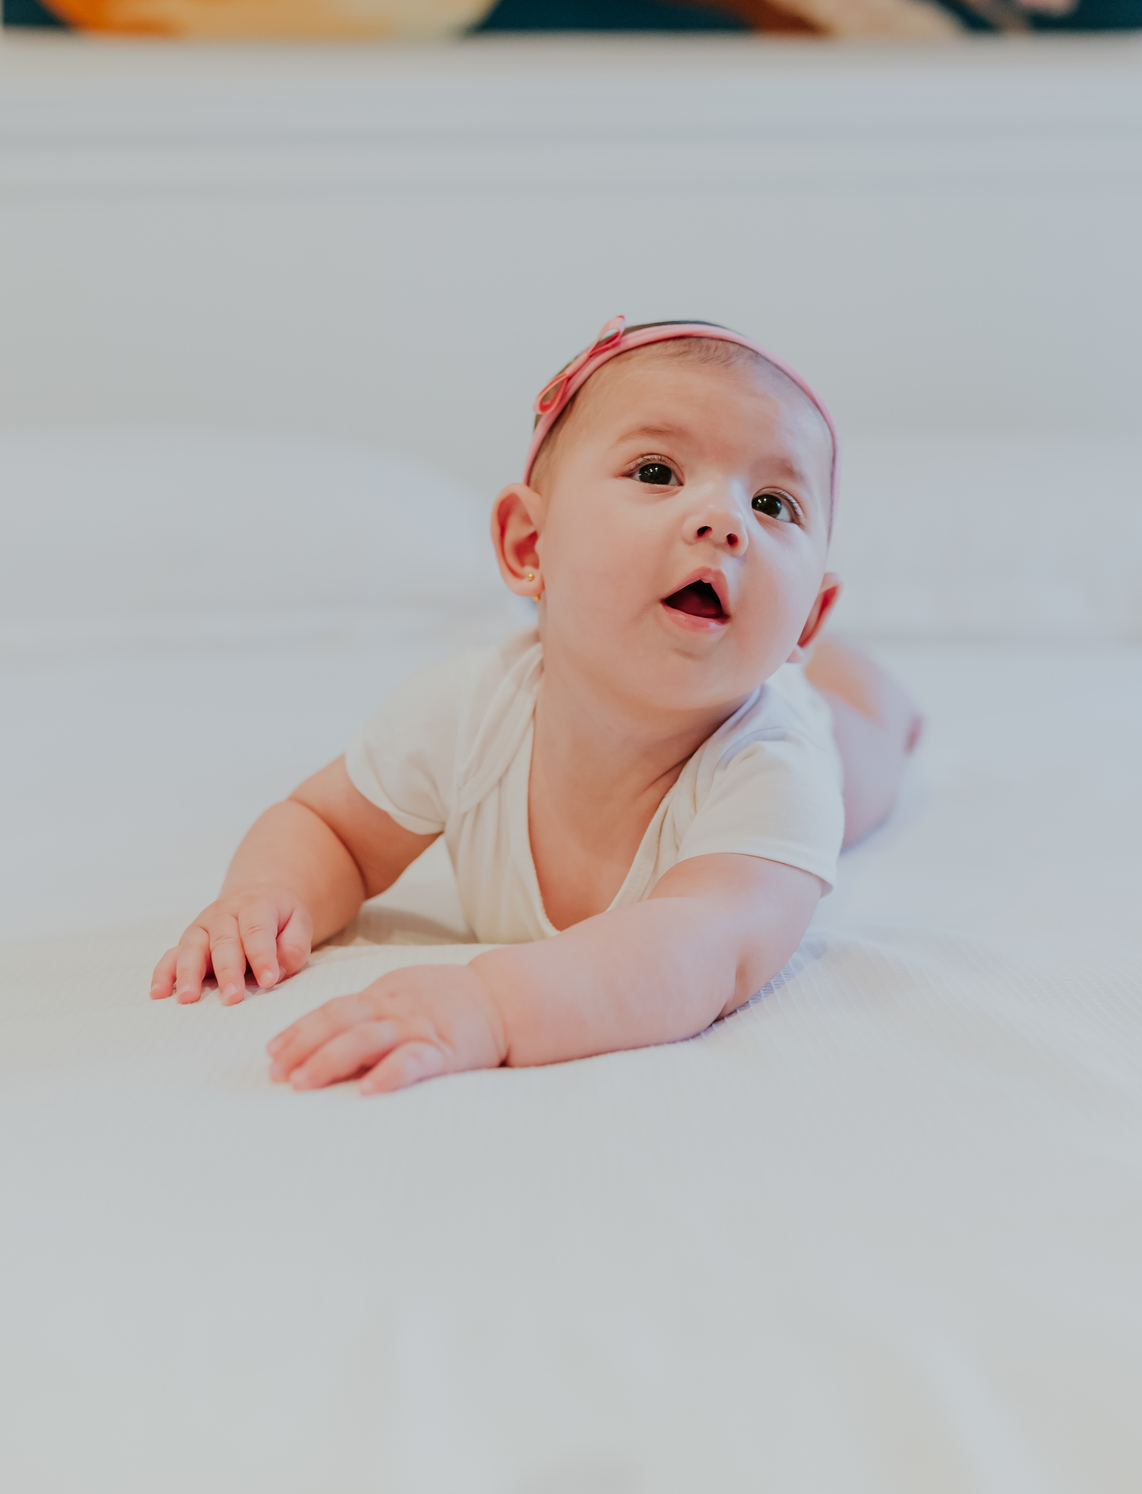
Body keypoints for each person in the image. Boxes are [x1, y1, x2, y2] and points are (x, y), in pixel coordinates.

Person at [150, 319, 921, 1093]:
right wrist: (266, 896)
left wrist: (492, 1003)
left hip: (800, 731)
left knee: (867, 761)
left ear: (805, 621)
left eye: (773, 503)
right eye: (656, 471)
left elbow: (697, 950)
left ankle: (867, 689)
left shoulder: (777, 775)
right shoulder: (466, 710)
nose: (725, 521)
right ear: (528, 546)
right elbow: (332, 830)